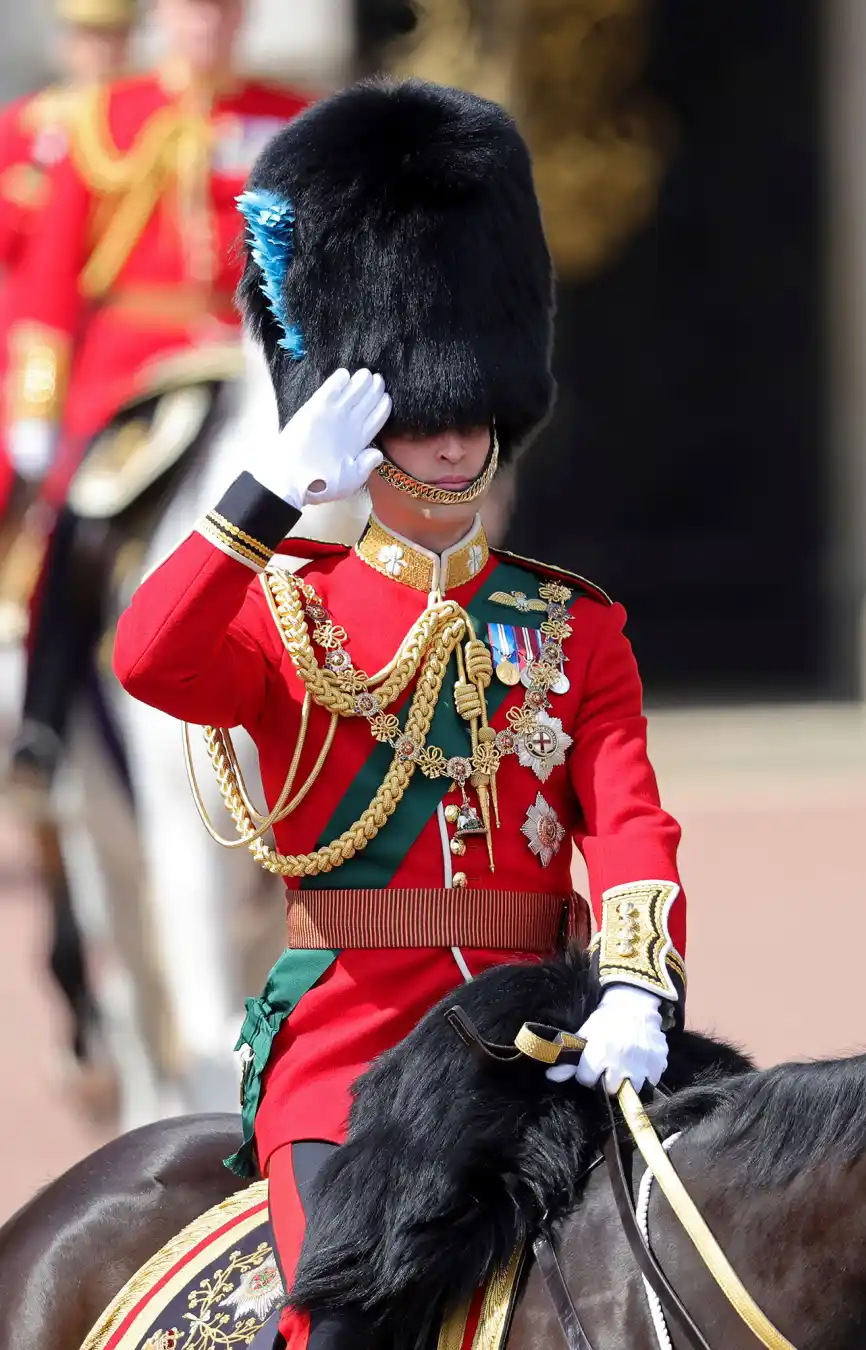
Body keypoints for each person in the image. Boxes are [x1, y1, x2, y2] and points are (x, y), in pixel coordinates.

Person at [113, 79, 687, 1350]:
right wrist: (266, 493)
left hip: (543, 1034)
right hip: (354, 1057)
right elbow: (149, 658)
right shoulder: (289, 610)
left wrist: (638, 989)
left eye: (470, 413)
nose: (453, 443)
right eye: (423, 417)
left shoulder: (572, 626)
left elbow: (630, 826)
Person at [3, 0, 313, 786]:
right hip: (132, 370)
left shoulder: (292, 118)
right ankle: (44, 722)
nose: (207, 24)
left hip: (252, 352)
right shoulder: (105, 118)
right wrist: (38, 406)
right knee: (79, 515)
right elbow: (49, 282)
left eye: (222, 9)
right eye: (190, 9)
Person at [0, 0, 137, 555]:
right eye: (87, 37)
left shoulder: (137, 121)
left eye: (112, 38)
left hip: (109, 321)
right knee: (16, 458)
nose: (99, 51)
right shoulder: (27, 125)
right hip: (34, 331)